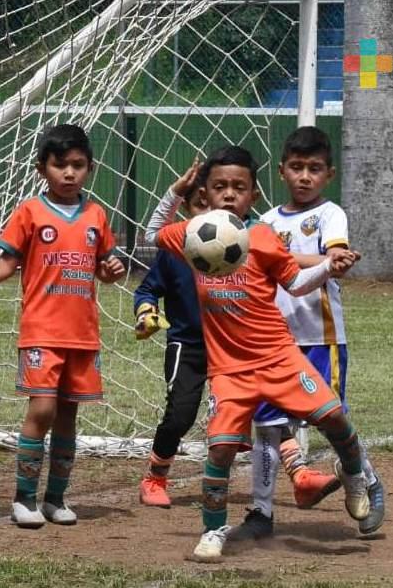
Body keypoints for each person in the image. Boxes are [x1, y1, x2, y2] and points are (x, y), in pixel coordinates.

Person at [144, 144, 369, 561]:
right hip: (230, 371)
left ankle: (354, 476)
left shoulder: (262, 238)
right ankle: (213, 531)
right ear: (206, 193)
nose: (229, 194)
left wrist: (326, 269)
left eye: (239, 187)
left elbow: (296, 284)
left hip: (279, 358)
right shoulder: (192, 234)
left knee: (334, 416)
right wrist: (175, 192)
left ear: (254, 195)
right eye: (220, 186)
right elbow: (149, 235)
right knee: (221, 450)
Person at [0, 124, 126, 528]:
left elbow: (106, 270)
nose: (69, 173)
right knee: (42, 409)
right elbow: (8, 262)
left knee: (68, 417)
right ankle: (23, 498)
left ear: (89, 168)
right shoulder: (30, 212)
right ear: (43, 168)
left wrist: (113, 269)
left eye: (78, 165)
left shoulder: (96, 214)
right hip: (42, 330)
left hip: (83, 335)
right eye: (60, 165)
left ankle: (55, 499)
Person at [241, 126, 384, 538]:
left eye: (315, 169)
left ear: (329, 174)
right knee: (267, 426)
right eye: (298, 167)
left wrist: (295, 258)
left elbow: (335, 254)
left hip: (321, 339)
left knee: (332, 419)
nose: (305, 176)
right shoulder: (264, 221)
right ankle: (261, 514)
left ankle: (368, 481)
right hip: (272, 343)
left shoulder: (329, 214)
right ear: (282, 171)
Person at [134, 182, 208, 508]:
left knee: (258, 411)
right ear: (187, 209)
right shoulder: (175, 250)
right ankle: (155, 477)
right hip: (187, 346)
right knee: (180, 417)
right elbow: (146, 289)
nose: (206, 210)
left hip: (232, 347)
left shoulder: (242, 244)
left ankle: (295, 470)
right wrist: (146, 310)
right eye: (198, 203)